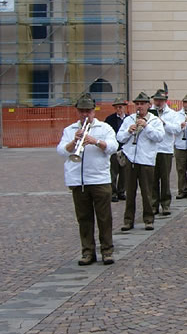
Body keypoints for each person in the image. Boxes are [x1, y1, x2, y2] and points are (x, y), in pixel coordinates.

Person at [57, 94, 119, 265]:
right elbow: (62, 151)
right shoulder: (70, 130)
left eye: (88, 111)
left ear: (94, 111)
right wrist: (73, 142)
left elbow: (114, 147)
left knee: (104, 218)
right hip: (78, 180)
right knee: (84, 218)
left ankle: (107, 251)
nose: (85, 115)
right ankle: (87, 252)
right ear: (77, 111)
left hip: (99, 179)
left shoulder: (104, 128)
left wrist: (96, 141)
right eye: (82, 111)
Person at [116, 92, 165, 231]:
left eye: (142, 104)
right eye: (137, 104)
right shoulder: (129, 119)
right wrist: (128, 131)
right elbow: (119, 137)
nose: (139, 106)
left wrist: (146, 127)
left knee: (147, 192)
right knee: (130, 192)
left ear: (148, 105)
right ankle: (128, 220)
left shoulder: (154, 120)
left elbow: (159, 137)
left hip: (146, 160)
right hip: (130, 159)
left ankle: (148, 219)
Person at [151, 89, 181, 215]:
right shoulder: (149, 113)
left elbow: (177, 129)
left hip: (165, 149)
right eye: (156, 100)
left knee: (164, 178)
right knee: (152, 179)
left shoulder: (172, 114)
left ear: (165, 101)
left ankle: (165, 204)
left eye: (161, 100)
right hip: (151, 150)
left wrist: (164, 123)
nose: (158, 102)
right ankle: (153, 204)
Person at [104, 97, 128, 202]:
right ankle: (113, 193)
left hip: (125, 149)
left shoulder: (129, 118)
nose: (119, 109)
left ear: (124, 107)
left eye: (121, 107)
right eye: (117, 107)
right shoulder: (110, 119)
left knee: (124, 173)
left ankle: (121, 191)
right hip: (115, 149)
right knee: (113, 172)